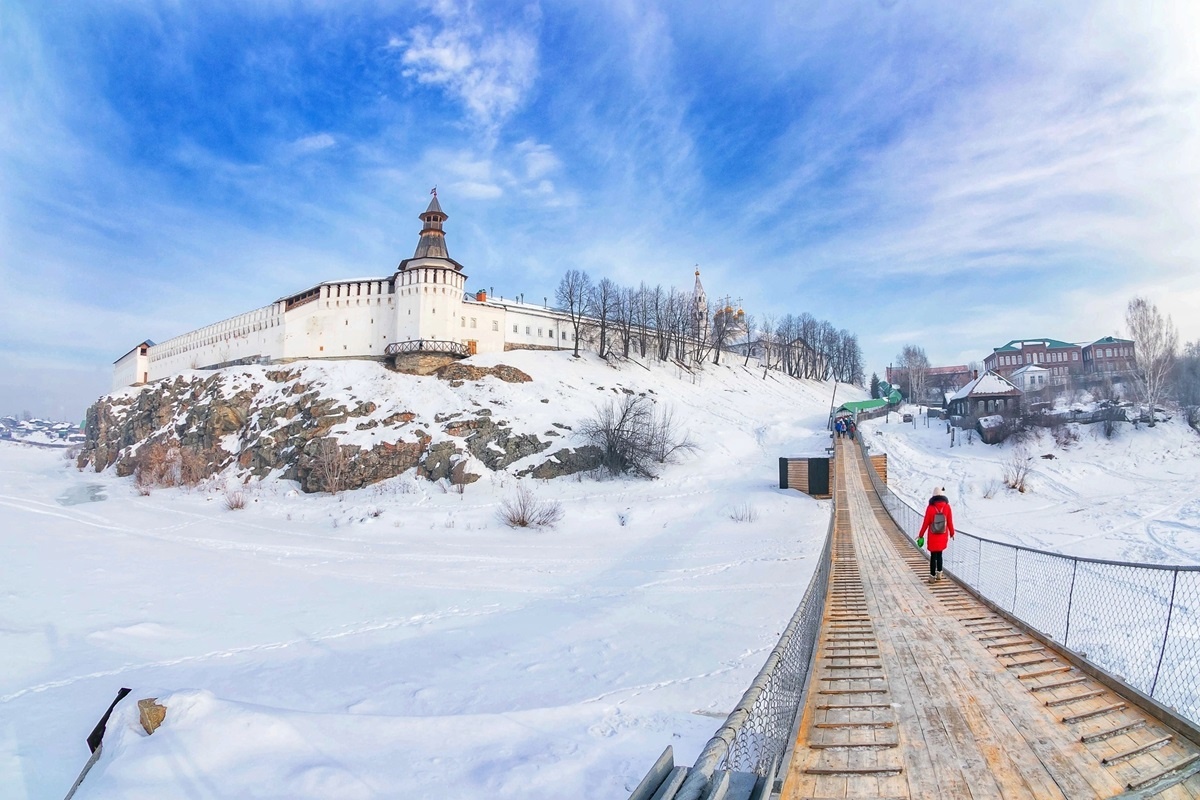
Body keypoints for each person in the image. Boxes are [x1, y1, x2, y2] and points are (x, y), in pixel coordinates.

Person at [918, 486, 955, 583]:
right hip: (943, 536)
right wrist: (952, 533)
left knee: (933, 557)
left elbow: (925, 523)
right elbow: (950, 521)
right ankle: (939, 574)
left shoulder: (930, 508)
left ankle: (932, 577)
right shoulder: (947, 507)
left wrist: (921, 535)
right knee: (940, 555)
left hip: (933, 536)